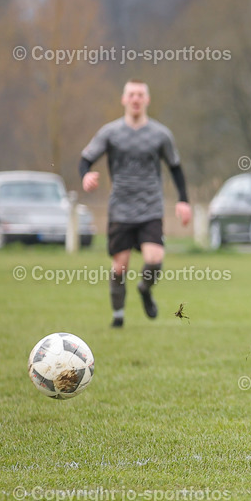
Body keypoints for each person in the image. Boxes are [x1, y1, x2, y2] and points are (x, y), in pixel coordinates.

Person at [79, 79, 192, 328]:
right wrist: (86, 175)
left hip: (150, 207)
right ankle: (118, 315)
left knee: (155, 258)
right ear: (124, 99)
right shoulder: (110, 132)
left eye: (140, 94)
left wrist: (183, 200)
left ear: (147, 100)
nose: (136, 99)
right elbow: (86, 159)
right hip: (120, 208)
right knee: (120, 265)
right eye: (131, 94)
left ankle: (144, 289)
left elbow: (175, 168)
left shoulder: (161, 134)